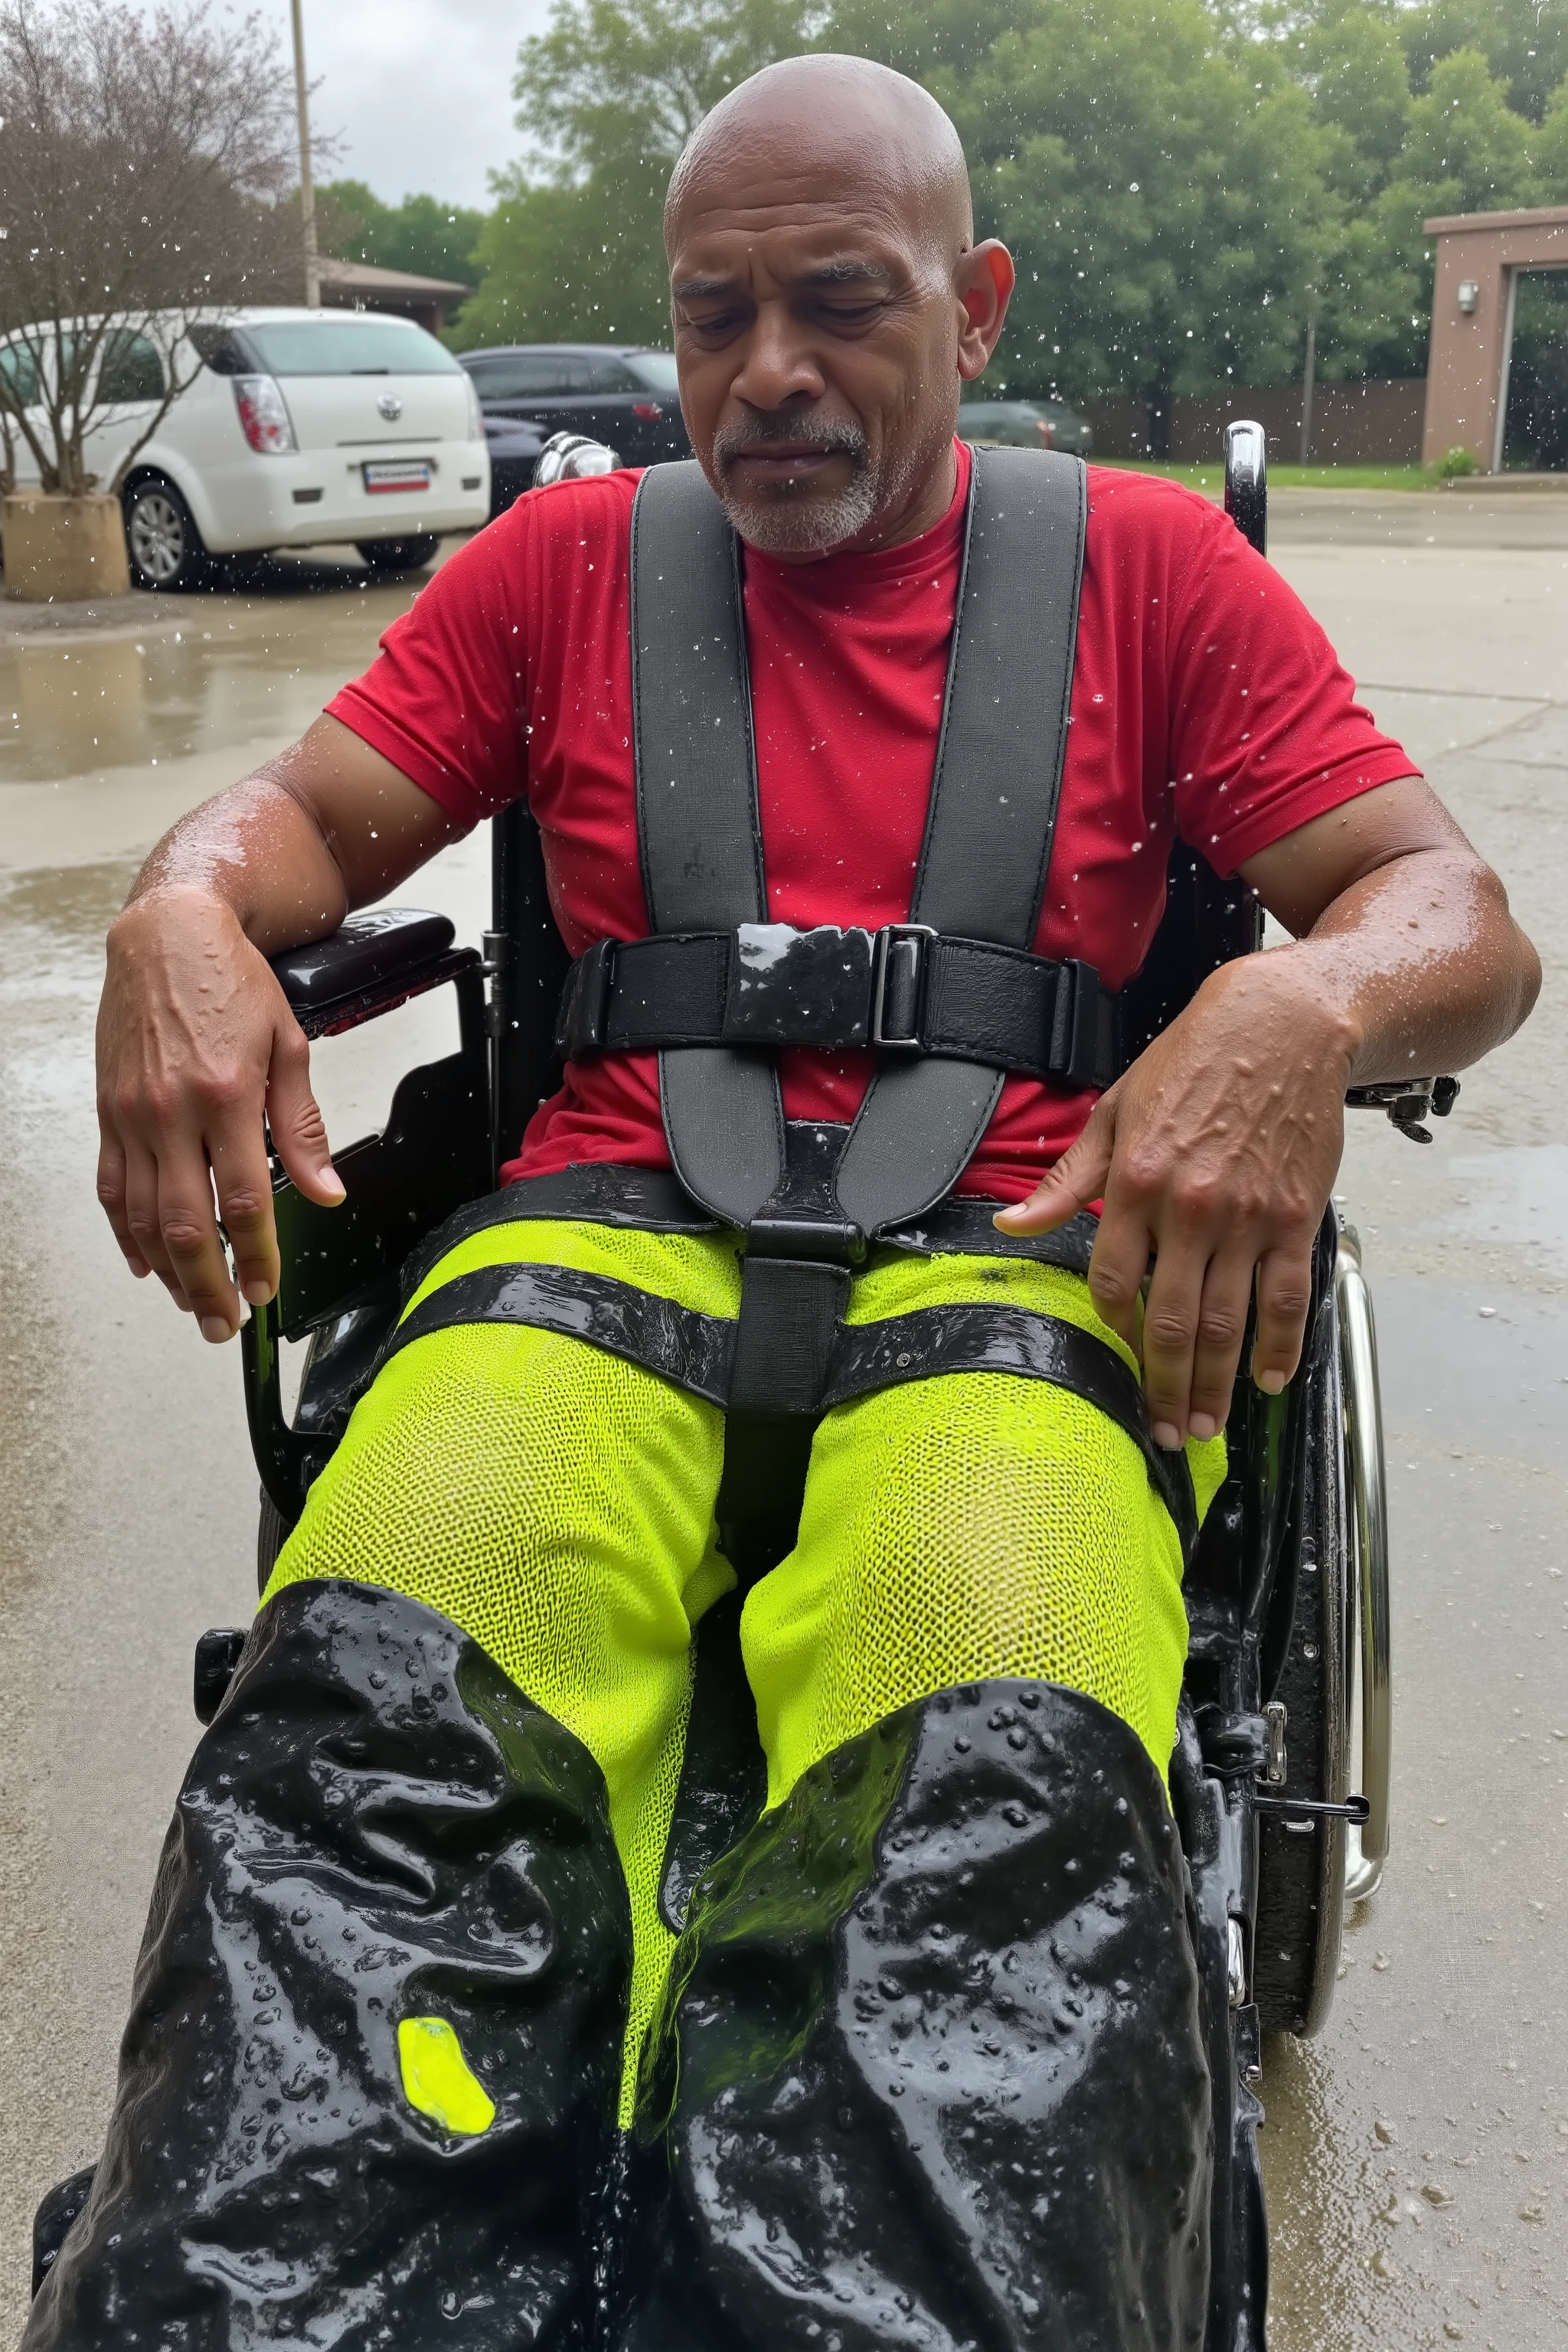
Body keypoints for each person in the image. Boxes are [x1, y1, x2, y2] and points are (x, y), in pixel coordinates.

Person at [44, 51, 1536, 2352]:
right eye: (712, 315)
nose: (763, 377)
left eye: (839, 304)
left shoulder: (1142, 572)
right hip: (592, 1256)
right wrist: (174, 915)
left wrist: (1304, 1008)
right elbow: (289, 829)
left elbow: (1455, 911)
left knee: (983, 1831)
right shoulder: (561, 570)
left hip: (1019, 1288)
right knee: (371, 1742)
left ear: (979, 310)